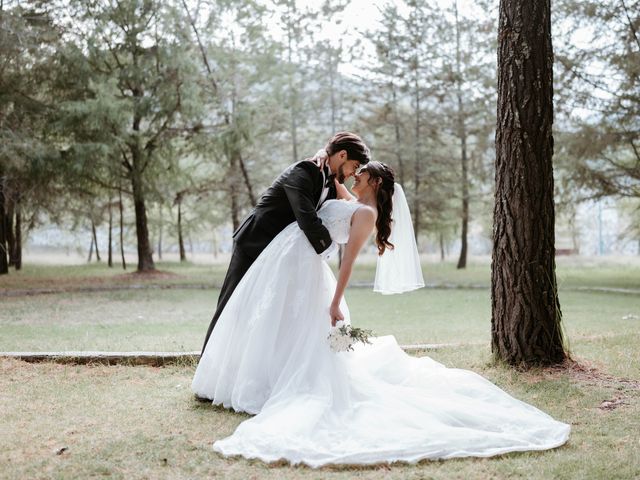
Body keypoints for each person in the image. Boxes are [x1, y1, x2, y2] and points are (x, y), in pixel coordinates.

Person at [192, 161, 571, 467]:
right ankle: (273, 379)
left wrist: (336, 301)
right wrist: (327, 166)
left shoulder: (367, 214)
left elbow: (348, 262)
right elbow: (331, 188)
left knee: (322, 348)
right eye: (353, 172)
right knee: (299, 338)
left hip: (326, 288)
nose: (354, 177)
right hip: (304, 273)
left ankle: (295, 382)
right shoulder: (351, 198)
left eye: (361, 174)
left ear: (373, 180)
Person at [199, 132, 370, 356]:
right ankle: (208, 363)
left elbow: (354, 206)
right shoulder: (305, 171)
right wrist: (329, 250)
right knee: (231, 305)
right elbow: (307, 218)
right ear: (342, 155)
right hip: (255, 243)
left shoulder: (328, 179)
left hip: (278, 253)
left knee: (263, 310)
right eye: (353, 166)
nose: (351, 174)